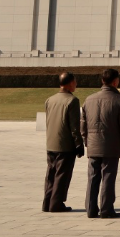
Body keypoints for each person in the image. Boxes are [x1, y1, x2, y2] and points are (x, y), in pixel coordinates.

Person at [81, 68, 120, 219]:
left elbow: (83, 125)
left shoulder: (89, 99)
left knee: (93, 177)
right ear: (115, 81)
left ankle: (91, 209)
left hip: (93, 145)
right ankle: (106, 209)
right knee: (108, 177)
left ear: (102, 81)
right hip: (111, 145)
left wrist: (86, 141)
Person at [43, 71, 84, 213]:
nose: (76, 84)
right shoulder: (72, 101)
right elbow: (74, 126)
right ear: (70, 83)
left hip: (51, 142)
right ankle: (57, 203)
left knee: (51, 174)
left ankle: (47, 202)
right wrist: (78, 144)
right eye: (75, 82)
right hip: (65, 144)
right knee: (62, 175)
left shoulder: (50, 99)